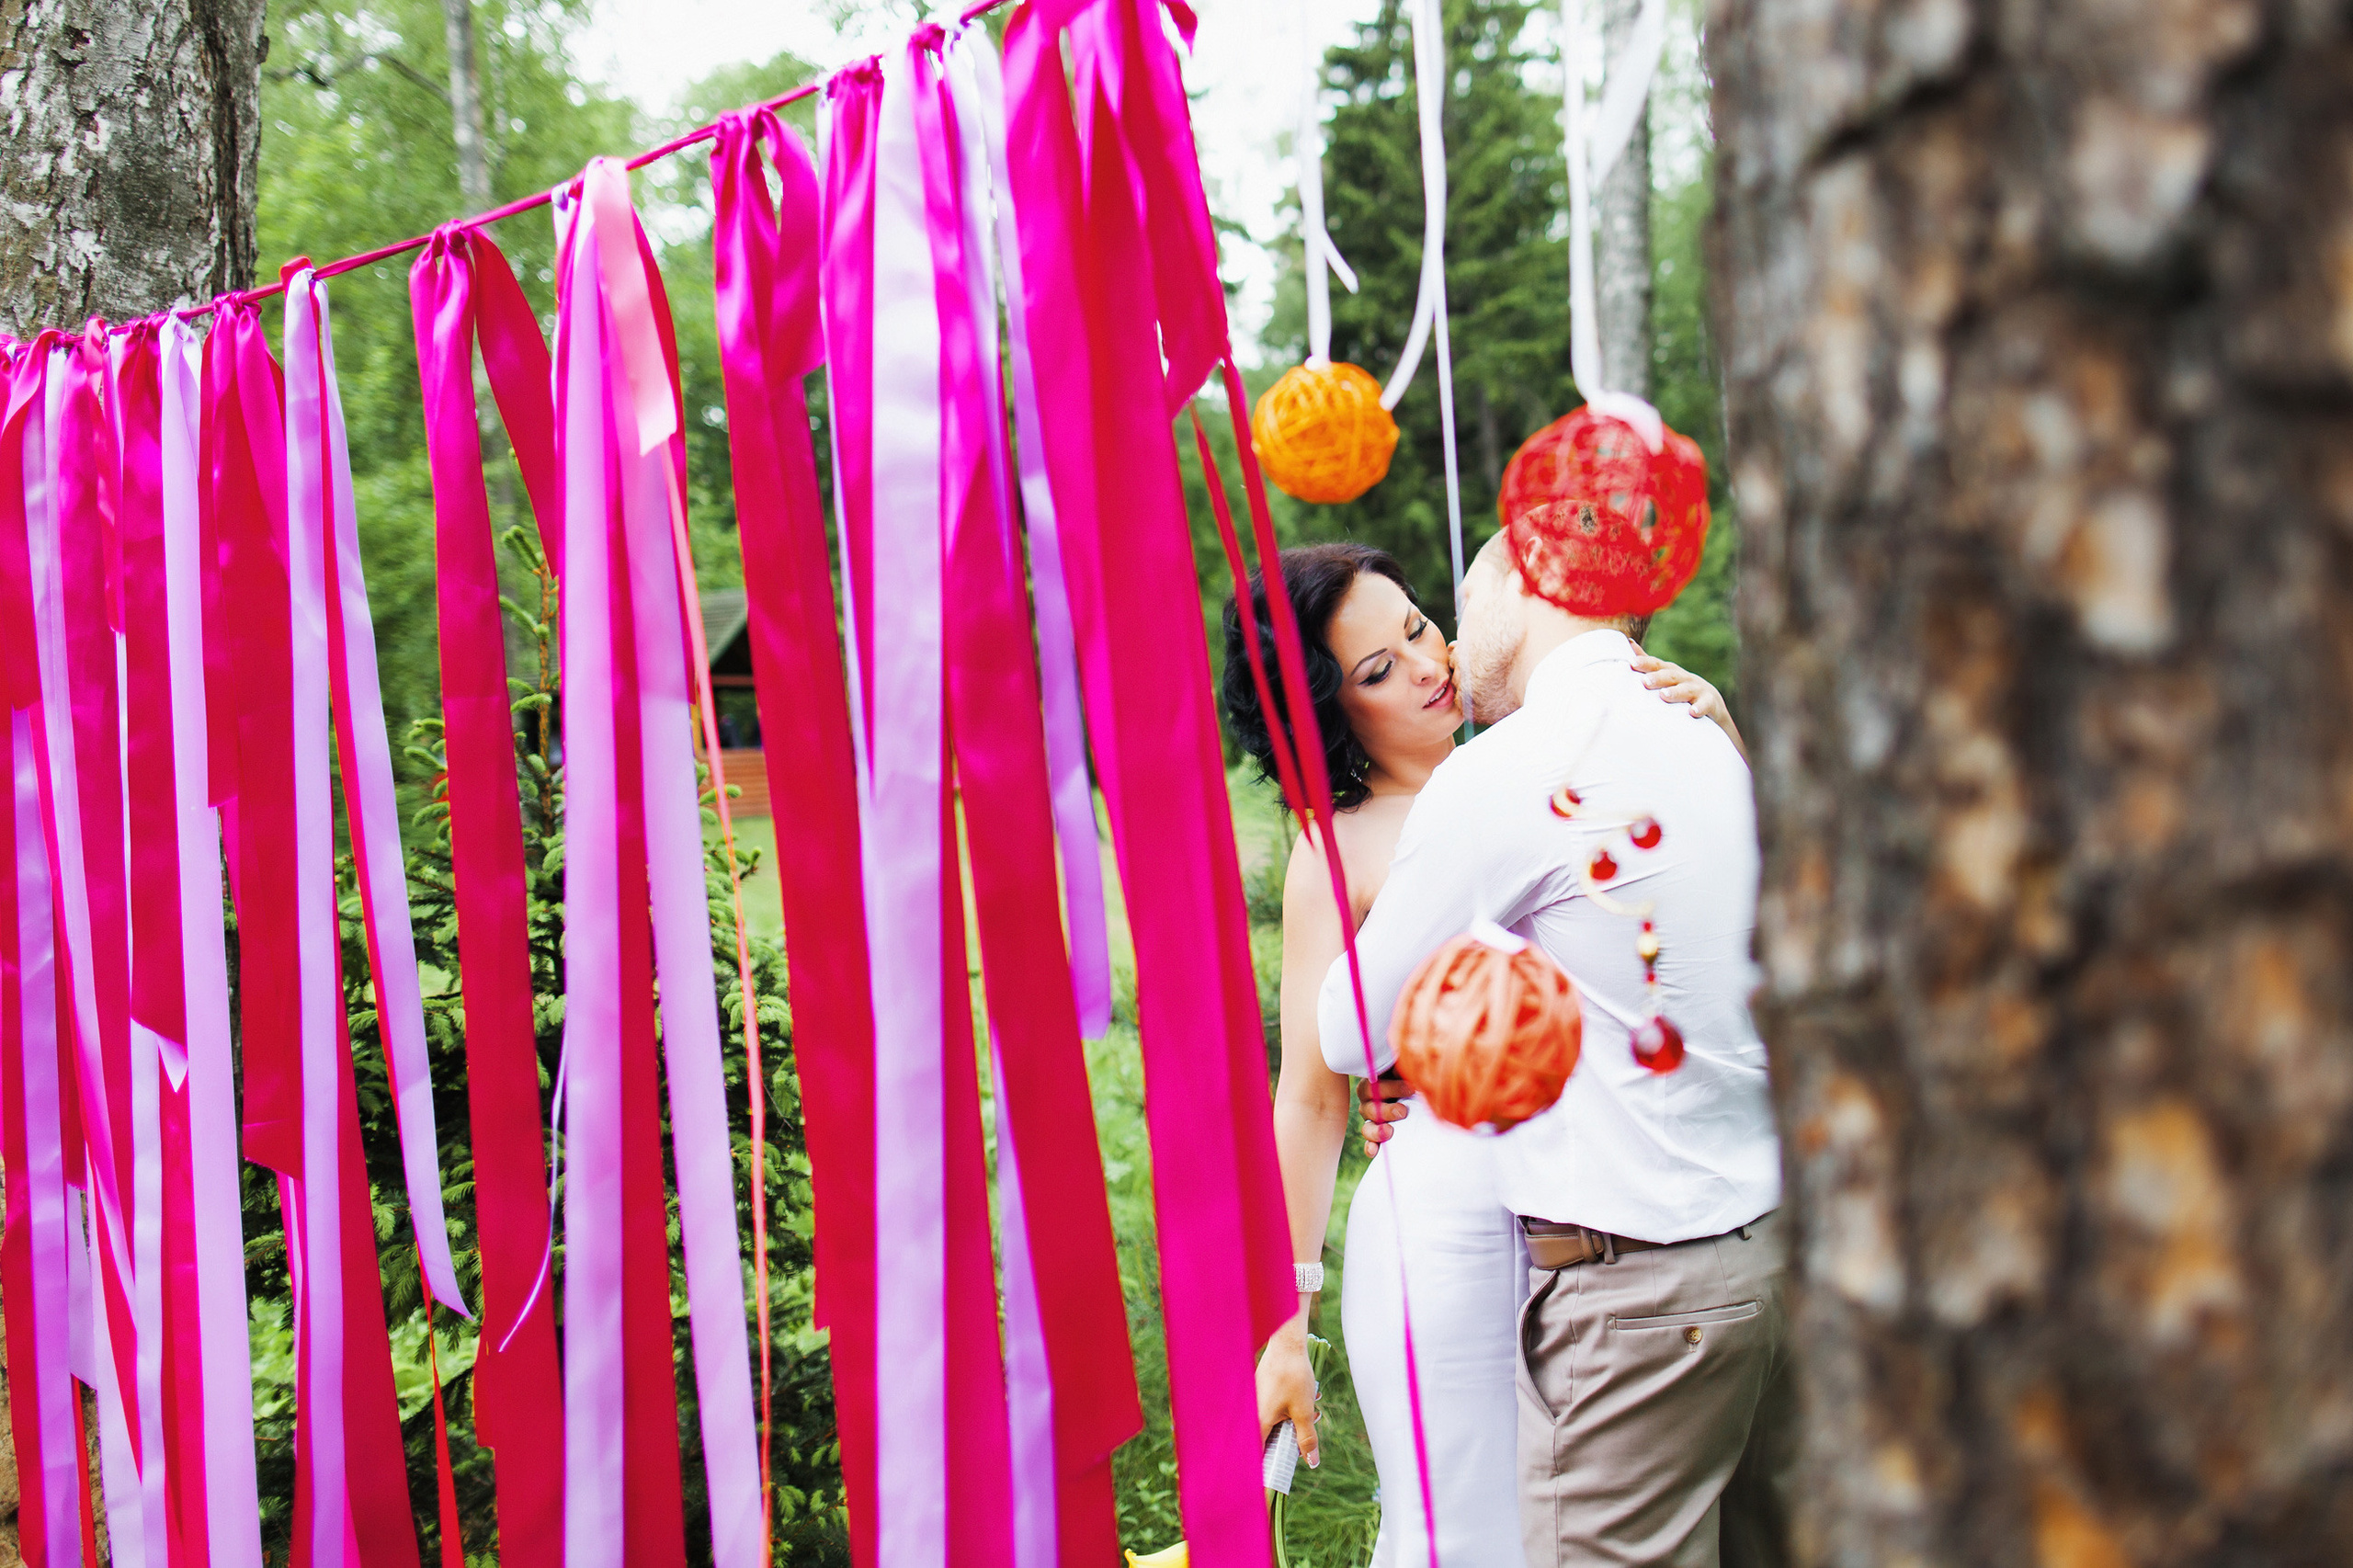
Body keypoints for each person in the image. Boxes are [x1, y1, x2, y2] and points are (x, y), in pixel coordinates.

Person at [1222, 541, 1738, 1567]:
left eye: (1416, 625)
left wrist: (1710, 727)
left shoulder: (1549, 754)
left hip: (1609, 1218)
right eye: (1377, 670)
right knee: (1471, 1529)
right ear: (1331, 713)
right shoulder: (1343, 847)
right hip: (1449, 1226)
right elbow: (1315, 1100)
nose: (1425, 664)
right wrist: (1288, 1318)